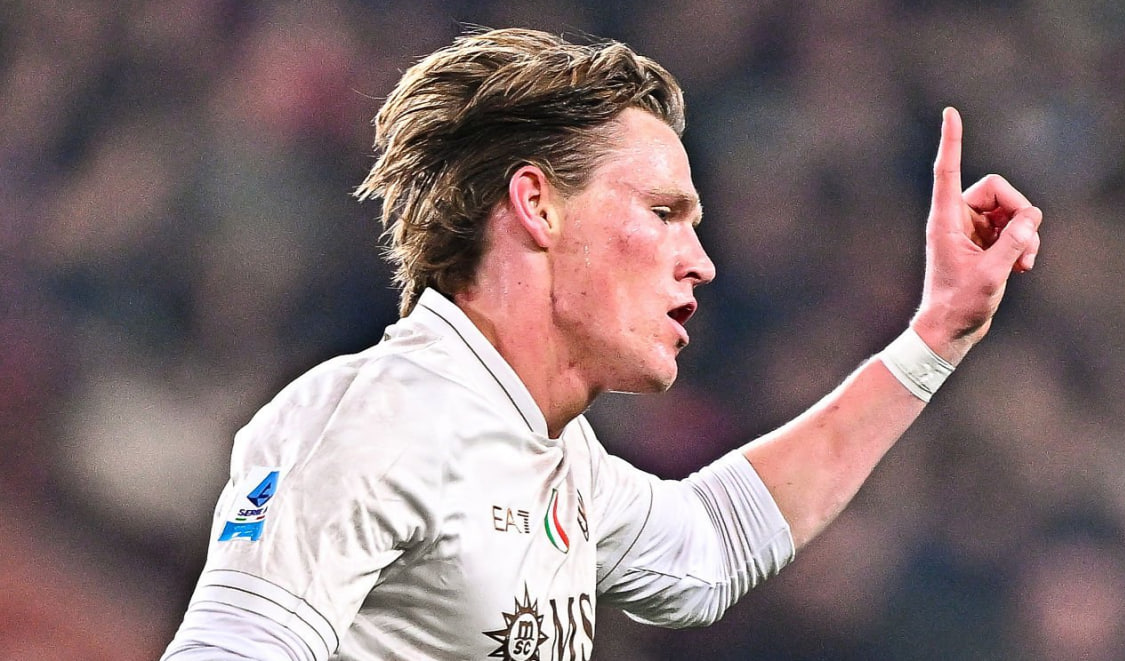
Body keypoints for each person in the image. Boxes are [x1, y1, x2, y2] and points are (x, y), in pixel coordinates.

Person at [162, 27, 1042, 660]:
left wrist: (936, 334)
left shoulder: (552, 453)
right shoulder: (378, 419)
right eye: (663, 212)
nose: (700, 260)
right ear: (537, 205)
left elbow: (710, 544)